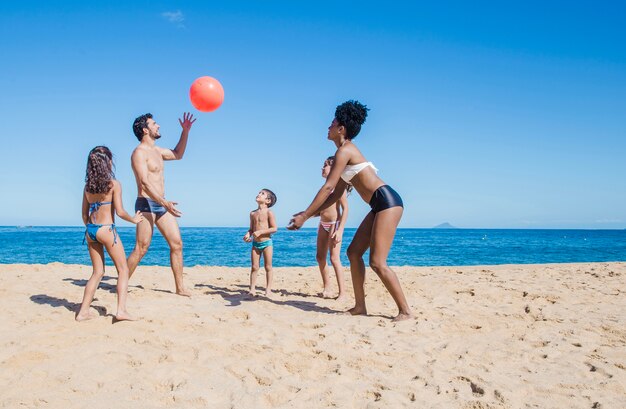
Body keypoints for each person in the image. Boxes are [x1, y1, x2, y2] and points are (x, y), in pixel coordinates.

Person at [288, 100, 413, 322]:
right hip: (379, 204)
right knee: (353, 253)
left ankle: (405, 311)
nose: (328, 126)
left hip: (388, 202)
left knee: (377, 262)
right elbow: (336, 194)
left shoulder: (345, 151)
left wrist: (306, 216)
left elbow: (328, 187)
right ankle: (360, 306)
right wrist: (310, 214)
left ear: (341, 129)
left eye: (332, 122)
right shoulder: (344, 153)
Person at [127, 112, 196, 297]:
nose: (158, 126)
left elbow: (178, 154)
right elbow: (144, 183)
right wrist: (164, 202)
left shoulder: (157, 151)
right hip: (146, 204)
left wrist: (186, 131)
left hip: (162, 205)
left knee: (177, 244)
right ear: (145, 130)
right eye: (154, 124)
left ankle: (180, 288)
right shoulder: (138, 153)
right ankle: (122, 283)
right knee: (141, 248)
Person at [77, 146, 143, 322]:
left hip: (90, 230)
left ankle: (83, 312)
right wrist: (134, 219)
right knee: (123, 270)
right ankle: (121, 310)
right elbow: (120, 212)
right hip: (106, 229)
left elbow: (84, 214)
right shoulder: (113, 184)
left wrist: (92, 228)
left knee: (97, 272)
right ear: (107, 162)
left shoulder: (87, 186)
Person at [315, 156, 349, 301]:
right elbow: (320, 209)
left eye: (325, 165)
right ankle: (327, 287)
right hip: (323, 224)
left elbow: (345, 209)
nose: (322, 168)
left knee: (334, 258)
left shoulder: (338, 188)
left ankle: (343, 293)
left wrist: (340, 230)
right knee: (320, 257)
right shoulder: (324, 188)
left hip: (335, 224)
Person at [243, 189, 278, 297]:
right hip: (255, 244)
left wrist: (261, 232)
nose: (258, 194)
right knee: (254, 267)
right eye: (259, 192)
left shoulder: (269, 212)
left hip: (267, 243)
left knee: (268, 267)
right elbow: (251, 229)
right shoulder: (252, 213)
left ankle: (268, 290)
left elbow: (274, 228)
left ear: (268, 200)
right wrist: (248, 234)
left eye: (262, 193)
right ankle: (252, 289)